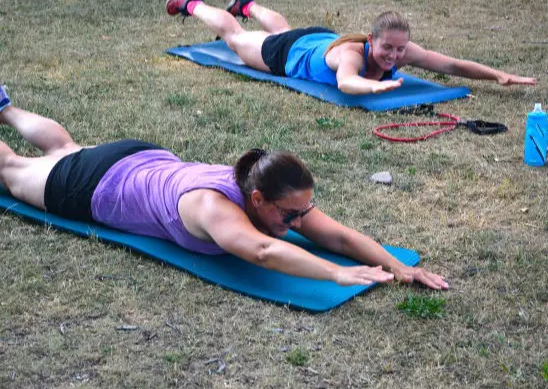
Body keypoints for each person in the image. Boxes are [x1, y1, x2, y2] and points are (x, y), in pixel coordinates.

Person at [0, 84, 448, 290]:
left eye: (300, 214)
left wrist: (398, 266)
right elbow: (263, 252)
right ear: (257, 199)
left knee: (64, 145)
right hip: (93, 184)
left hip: (137, 157)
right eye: (290, 216)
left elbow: (339, 235)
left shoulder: (269, 189)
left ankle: (6, 107)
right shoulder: (214, 208)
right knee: (12, 169)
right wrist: (335, 273)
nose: (298, 223)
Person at [165, 0, 536, 95]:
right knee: (234, 38)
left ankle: (248, 3)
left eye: (400, 48)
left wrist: (498, 75)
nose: (394, 55)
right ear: (371, 40)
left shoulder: (401, 53)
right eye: (387, 47)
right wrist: (373, 89)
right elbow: (345, 82)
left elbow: (451, 65)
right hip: (286, 53)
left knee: (283, 27)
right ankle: (191, 3)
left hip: (313, 39)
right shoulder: (351, 55)